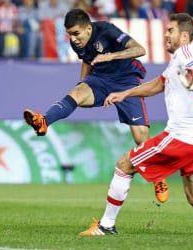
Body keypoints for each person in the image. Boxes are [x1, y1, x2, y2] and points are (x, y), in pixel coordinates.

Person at [79, 12, 193, 236]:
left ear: (185, 35)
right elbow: (158, 84)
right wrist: (125, 93)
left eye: (171, 30)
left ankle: (106, 226)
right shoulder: (178, 58)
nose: (166, 34)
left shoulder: (187, 53)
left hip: (179, 138)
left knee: (124, 165)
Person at [23, 8, 169, 203]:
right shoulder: (77, 43)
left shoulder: (107, 30)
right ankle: (43, 122)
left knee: (140, 137)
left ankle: (158, 177)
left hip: (126, 81)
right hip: (100, 79)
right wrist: (83, 83)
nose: (73, 39)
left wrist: (110, 56)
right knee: (75, 93)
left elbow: (140, 49)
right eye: (69, 34)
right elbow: (86, 60)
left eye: (76, 33)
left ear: (89, 29)